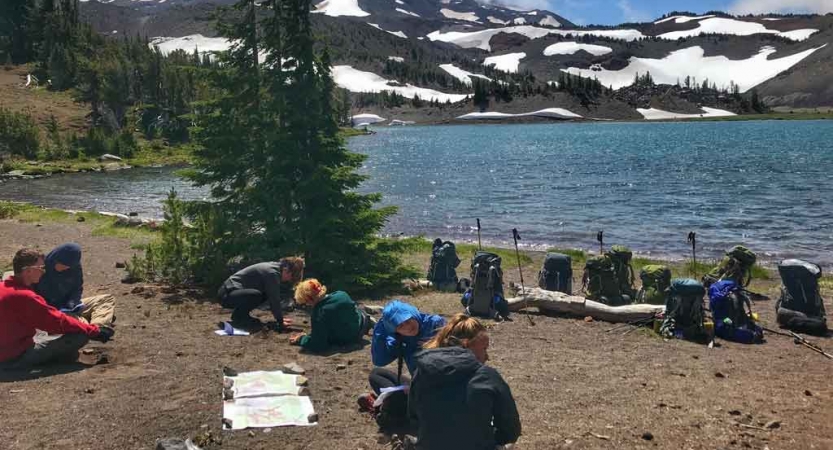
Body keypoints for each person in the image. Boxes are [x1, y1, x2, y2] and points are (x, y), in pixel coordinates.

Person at [409, 314, 521, 450]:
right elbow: (510, 431)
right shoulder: (487, 376)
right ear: (466, 345)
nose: (487, 356)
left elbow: (414, 419)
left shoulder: (422, 372)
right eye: (484, 348)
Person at [0, 249, 114, 371]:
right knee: (80, 336)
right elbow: (56, 321)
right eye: (41, 268)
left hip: (8, 347)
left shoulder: (3, 287)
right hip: (14, 356)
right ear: (28, 271)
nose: (43, 272)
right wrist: (94, 331)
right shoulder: (24, 296)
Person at [367, 300, 446, 395]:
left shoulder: (435, 324)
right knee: (376, 374)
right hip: (419, 384)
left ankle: (391, 404)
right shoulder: (399, 339)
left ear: (414, 314)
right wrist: (380, 330)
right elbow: (380, 360)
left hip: (443, 384)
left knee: (397, 398)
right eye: (400, 326)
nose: (407, 327)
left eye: (408, 321)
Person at [35, 242, 116, 327]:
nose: (65, 268)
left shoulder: (74, 267)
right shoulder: (40, 267)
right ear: (55, 259)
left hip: (69, 307)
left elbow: (77, 288)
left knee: (107, 299)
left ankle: (98, 326)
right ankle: (91, 325)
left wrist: (73, 302)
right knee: (74, 322)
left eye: (68, 267)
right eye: (63, 265)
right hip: (51, 310)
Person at [217, 257, 305, 330]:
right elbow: (274, 299)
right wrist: (280, 321)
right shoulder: (272, 273)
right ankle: (239, 317)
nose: (289, 280)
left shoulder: (275, 268)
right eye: (291, 277)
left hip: (234, 293)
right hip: (226, 294)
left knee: (262, 294)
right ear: (286, 270)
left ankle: (240, 316)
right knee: (256, 295)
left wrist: (279, 319)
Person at [289, 279, 373, 352]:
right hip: (361, 323)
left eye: (306, 303)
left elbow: (318, 345)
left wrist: (302, 339)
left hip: (349, 338)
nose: (307, 305)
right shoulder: (341, 294)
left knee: (325, 329)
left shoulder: (319, 313)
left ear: (310, 299)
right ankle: (369, 321)